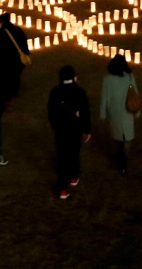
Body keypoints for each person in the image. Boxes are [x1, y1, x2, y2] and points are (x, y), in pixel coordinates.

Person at [47, 66, 91, 199]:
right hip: (75, 129)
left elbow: (51, 113)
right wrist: (87, 130)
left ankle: (63, 190)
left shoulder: (55, 92)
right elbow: (86, 113)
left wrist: (55, 126)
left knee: (61, 157)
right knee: (74, 153)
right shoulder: (80, 92)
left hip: (61, 130)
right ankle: (73, 177)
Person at [98, 55, 139, 175]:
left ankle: (120, 158)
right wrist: (137, 112)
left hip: (114, 113)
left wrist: (103, 113)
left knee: (117, 137)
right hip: (127, 112)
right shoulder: (130, 77)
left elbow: (104, 98)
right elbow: (135, 95)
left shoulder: (107, 79)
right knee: (127, 138)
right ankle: (124, 161)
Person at [0, 14, 30, 100]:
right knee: (15, 77)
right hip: (18, 61)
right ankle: (14, 92)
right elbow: (24, 44)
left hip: (5, 61)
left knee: (5, 78)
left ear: (1, 22)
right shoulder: (18, 30)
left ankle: (7, 95)